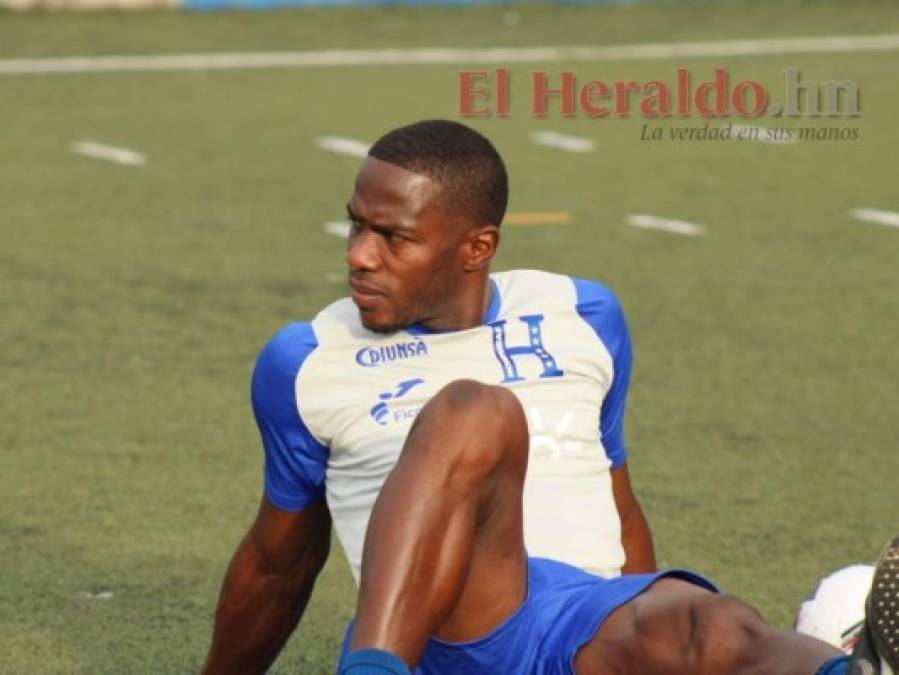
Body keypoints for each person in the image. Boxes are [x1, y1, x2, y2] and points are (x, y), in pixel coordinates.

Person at [201, 120, 897, 675]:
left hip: (580, 615)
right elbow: (278, 561)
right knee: (473, 412)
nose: (358, 254)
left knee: (709, 624)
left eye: (392, 237)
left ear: (476, 247)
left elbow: (614, 500)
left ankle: (854, 670)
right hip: (454, 624)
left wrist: (648, 613)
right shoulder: (307, 358)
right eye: (356, 226)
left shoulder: (582, 315)